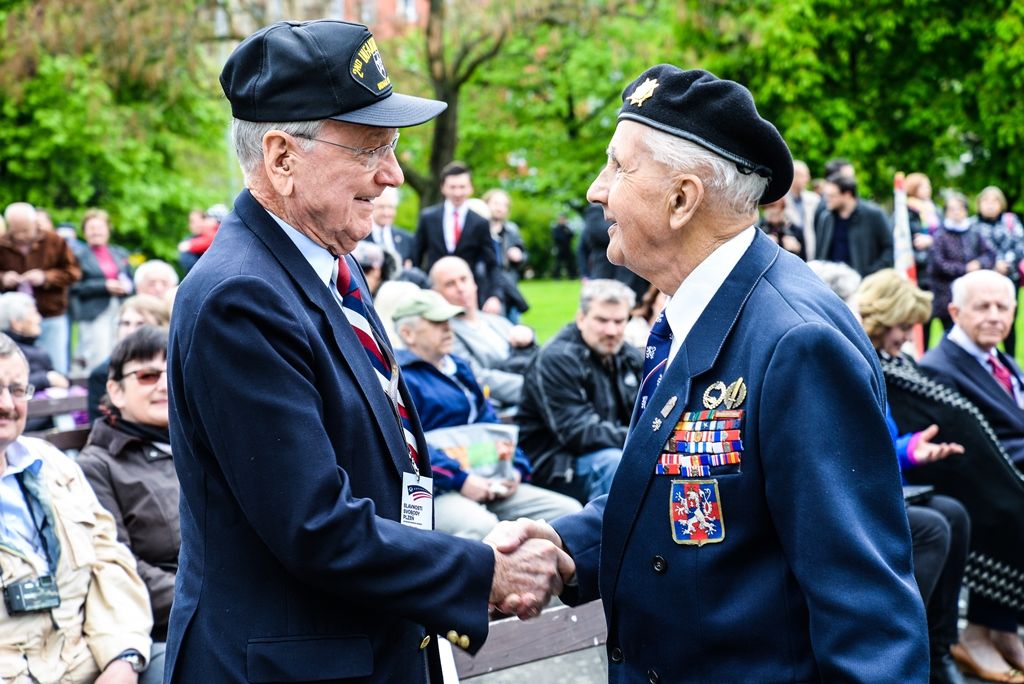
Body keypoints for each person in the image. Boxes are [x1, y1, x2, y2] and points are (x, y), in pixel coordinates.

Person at [165, 20, 570, 683]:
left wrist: (446, 560)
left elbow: (380, 467)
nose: (394, 175)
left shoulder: (326, 265)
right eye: (369, 149)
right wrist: (480, 572)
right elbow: (313, 523)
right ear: (282, 158)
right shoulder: (241, 297)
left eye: (393, 148)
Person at [493, 66, 928, 682]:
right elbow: (681, 492)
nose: (596, 190)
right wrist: (567, 548)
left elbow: (867, 610)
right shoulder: (701, 308)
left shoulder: (796, 340)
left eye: (617, 167)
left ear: (681, 200)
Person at [0, 332, 154, 683]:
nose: (7, 404)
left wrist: (122, 659)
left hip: (86, 664)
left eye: (18, 390)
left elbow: (110, 563)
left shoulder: (54, 467)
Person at [856, 269, 971, 684]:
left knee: (954, 514)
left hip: (878, 484)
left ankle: (939, 648)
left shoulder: (876, 359)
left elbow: (879, 444)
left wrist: (911, 449)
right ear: (882, 317)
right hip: (856, 497)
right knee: (932, 528)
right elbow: (856, 449)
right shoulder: (853, 357)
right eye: (904, 327)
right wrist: (902, 452)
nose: (907, 338)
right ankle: (893, 643)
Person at [393, 289, 580, 539]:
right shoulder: (399, 378)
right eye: (436, 322)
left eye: (448, 320)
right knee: (483, 527)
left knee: (568, 512)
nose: (448, 328)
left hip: (489, 479)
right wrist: (461, 480)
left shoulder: (459, 368)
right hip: (435, 489)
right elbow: (407, 444)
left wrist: (515, 468)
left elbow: (490, 422)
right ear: (408, 334)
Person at [919, 269, 1024, 681]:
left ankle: (1003, 630)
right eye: (983, 307)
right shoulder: (940, 367)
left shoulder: (1002, 361)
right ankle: (977, 633)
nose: (995, 316)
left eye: (1003, 307)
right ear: (955, 312)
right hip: (974, 480)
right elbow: (973, 444)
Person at [77, 326, 176, 681]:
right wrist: (207, 597)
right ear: (115, 391)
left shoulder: (195, 446)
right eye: (148, 376)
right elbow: (120, 565)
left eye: (171, 372)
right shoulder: (97, 466)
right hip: (164, 625)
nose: (164, 385)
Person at [516, 279, 643, 503]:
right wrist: (641, 437)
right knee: (614, 462)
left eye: (619, 321)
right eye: (602, 320)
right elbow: (578, 432)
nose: (611, 330)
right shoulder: (558, 358)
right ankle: (605, 527)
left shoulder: (628, 355)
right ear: (581, 318)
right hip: (557, 463)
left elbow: (646, 411)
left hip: (607, 450)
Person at [430, 256, 536, 410]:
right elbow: (476, 377)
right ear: (436, 293)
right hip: (504, 408)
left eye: (464, 279)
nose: (460, 288)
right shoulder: (447, 333)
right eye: (450, 284)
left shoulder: (498, 322)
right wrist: (536, 386)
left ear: (474, 283)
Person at [0, 203, 81, 374]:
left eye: (25, 230)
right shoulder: (2, 243)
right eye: (16, 231)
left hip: (50, 313)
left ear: (35, 223)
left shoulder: (54, 241)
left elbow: (74, 272)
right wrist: (3, 278)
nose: (21, 236)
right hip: (15, 321)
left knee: (56, 368)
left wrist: (46, 277)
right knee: (16, 369)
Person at [413, 162, 502, 312]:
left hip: (466, 294)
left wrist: (495, 296)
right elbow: (416, 256)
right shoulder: (428, 218)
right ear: (443, 188)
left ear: (470, 188)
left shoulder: (480, 222)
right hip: (434, 294)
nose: (457, 192)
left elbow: (492, 263)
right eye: (452, 187)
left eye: (462, 187)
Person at [87, 295, 170, 422]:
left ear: (161, 327)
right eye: (125, 323)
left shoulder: (177, 363)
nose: (130, 331)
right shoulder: (102, 374)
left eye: (141, 324)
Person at [71, 208, 134, 372]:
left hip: (120, 308)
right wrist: (104, 286)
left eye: (99, 227)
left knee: (122, 351)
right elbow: (74, 286)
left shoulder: (119, 253)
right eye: (91, 228)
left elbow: (130, 278)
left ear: (108, 230)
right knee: (98, 356)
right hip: (94, 312)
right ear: (84, 232)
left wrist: (125, 286)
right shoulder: (78, 256)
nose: (96, 232)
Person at [0, 292, 70, 431]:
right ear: (16, 323)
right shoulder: (11, 355)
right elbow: (11, 384)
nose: (39, 318)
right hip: (29, 424)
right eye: (33, 313)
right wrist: (46, 378)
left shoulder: (35, 348)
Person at [929, 193, 996, 331]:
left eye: (959, 208)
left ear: (965, 211)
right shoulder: (940, 235)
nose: (956, 212)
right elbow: (939, 264)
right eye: (951, 209)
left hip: (973, 292)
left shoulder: (974, 232)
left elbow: (990, 254)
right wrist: (964, 268)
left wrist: (979, 264)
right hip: (947, 294)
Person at [972, 185, 1024, 357]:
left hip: (1008, 278)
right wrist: (992, 265)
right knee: (982, 319)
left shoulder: (1010, 222)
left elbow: (1020, 245)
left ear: (1001, 204)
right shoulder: (972, 225)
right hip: (982, 280)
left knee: (1007, 319)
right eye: (986, 201)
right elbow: (970, 252)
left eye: (994, 201)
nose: (990, 205)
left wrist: (1006, 264)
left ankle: (1009, 360)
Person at [815, 173, 894, 276]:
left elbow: (889, 248)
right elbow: (820, 252)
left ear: (847, 195)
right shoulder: (826, 218)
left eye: (832, 196)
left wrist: (871, 273)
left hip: (863, 281)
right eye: (826, 195)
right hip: (830, 280)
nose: (827, 199)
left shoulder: (874, 215)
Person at [483, 189, 529, 320]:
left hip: (509, 287)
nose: (500, 208)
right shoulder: (479, 229)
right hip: (487, 287)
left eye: (504, 205)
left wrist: (519, 256)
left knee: (513, 326)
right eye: (496, 203)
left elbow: (524, 255)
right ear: (486, 204)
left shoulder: (511, 230)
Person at [367, 185, 415, 268]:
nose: (386, 213)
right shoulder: (361, 236)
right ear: (372, 208)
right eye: (381, 207)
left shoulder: (407, 239)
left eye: (390, 207)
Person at [784, 159, 820, 259]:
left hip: (811, 254)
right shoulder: (781, 201)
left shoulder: (814, 199)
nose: (808, 179)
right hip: (790, 256)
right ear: (794, 176)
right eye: (804, 175)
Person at [550, 213, 577, 279]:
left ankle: (572, 276)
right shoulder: (556, 228)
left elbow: (572, 235)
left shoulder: (567, 227)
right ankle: (556, 277)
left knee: (570, 263)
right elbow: (556, 238)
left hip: (567, 248)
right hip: (559, 248)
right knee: (558, 263)